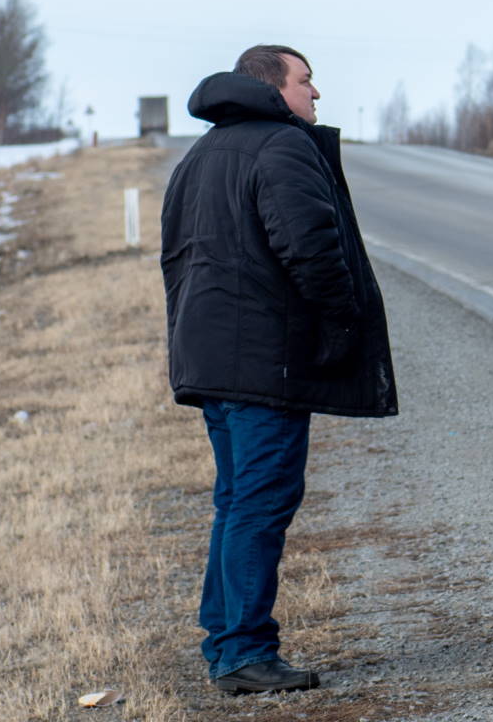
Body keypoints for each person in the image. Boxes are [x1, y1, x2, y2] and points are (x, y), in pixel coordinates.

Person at [160, 44, 397, 694]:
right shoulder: (281, 147)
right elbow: (311, 247)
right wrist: (342, 321)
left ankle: (226, 642)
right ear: (272, 87)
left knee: (237, 503)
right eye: (305, 80)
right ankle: (242, 652)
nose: (315, 94)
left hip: (211, 361)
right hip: (262, 365)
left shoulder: (202, 154)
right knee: (260, 505)